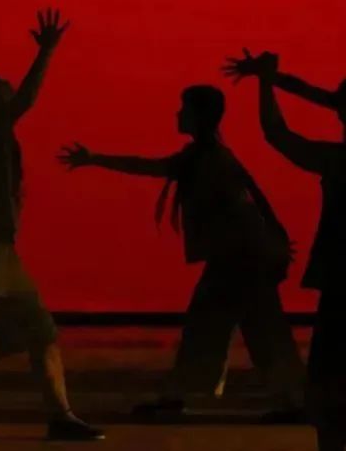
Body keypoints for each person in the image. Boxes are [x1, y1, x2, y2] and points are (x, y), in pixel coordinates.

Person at [58, 85, 305, 420]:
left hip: (238, 261)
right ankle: (287, 401)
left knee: (235, 331)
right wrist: (95, 159)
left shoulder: (210, 160)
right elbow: (154, 168)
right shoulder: (203, 156)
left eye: (184, 109)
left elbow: (242, 209)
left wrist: (253, 252)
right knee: (246, 330)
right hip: (239, 260)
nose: (178, 114)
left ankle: (188, 396)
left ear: (198, 116)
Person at [0, 8, 103, 441]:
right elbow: (25, 99)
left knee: (40, 331)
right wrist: (47, 51)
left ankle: (61, 416)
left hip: (0, 249)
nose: (4, 82)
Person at [226, 49, 346, 451]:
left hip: (341, 287)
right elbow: (322, 101)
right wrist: (275, 79)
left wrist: (269, 82)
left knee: (331, 390)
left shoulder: (336, 160)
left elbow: (278, 133)